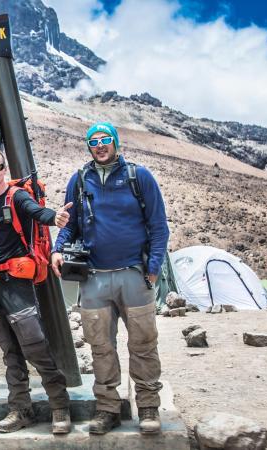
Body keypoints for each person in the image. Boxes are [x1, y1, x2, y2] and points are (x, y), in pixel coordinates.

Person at [51, 122, 169, 435]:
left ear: (115, 142)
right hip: (94, 279)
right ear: (88, 146)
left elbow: (159, 226)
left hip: (133, 274)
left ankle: (147, 407)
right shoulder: (79, 180)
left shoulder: (138, 176)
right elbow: (69, 224)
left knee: (143, 343)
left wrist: (153, 268)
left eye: (105, 140)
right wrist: (57, 249)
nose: (100, 145)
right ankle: (107, 408)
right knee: (100, 346)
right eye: (94, 141)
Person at [0, 148, 73, 435]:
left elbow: (36, 213)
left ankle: (60, 407)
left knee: (35, 346)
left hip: (17, 284)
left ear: (4, 169)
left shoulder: (17, 197)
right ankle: (20, 410)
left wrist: (56, 218)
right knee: (10, 351)